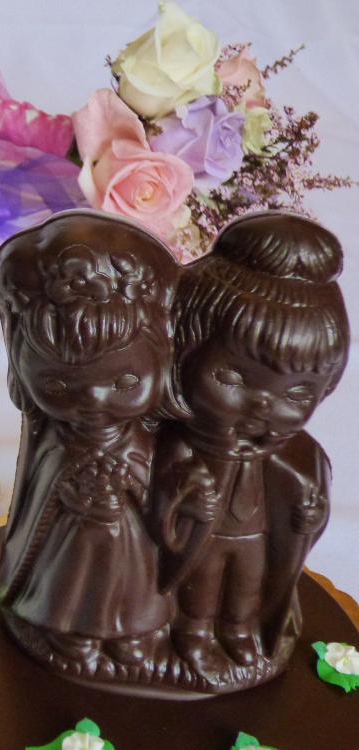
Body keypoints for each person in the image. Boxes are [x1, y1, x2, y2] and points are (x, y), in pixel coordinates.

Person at [154, 212, 349, 685]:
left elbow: (301, 500)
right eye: (233, 378)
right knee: (201, 589)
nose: (263, 406)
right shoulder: (173, 442)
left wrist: (307, 517)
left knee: (246, 584)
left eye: (297, 394)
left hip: (253, 534)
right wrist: (180, 498)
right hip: (204, 538)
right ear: (183, 355)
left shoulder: (295, 457)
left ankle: (240, 633)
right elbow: (152, 501)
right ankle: (193, 637)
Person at [0, 211, 182, 671]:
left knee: (133, 587)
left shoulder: (148, 440)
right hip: (70, 536)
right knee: (69, 584)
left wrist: (137, 487)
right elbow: (38, 495)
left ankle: (132, 635)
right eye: (58, 387)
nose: (93, 402)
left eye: (123, 383)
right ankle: (67, 632)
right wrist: (69, 490)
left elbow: (164, 492)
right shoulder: (56, 443)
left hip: (131, 540)